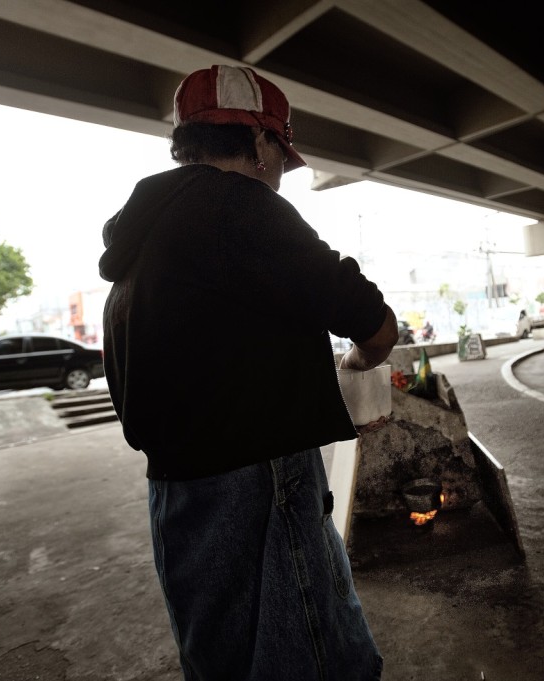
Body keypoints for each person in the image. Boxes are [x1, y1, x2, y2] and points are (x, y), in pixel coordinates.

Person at [98, 64, 397, 681]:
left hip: (175, 492)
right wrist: (357, 361)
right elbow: (374, 325)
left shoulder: (141, 242)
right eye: (282, 155)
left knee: (222, 658)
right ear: (261, 144)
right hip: (259, 484)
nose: (282, 172)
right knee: (309, 655)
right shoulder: (242, 207)